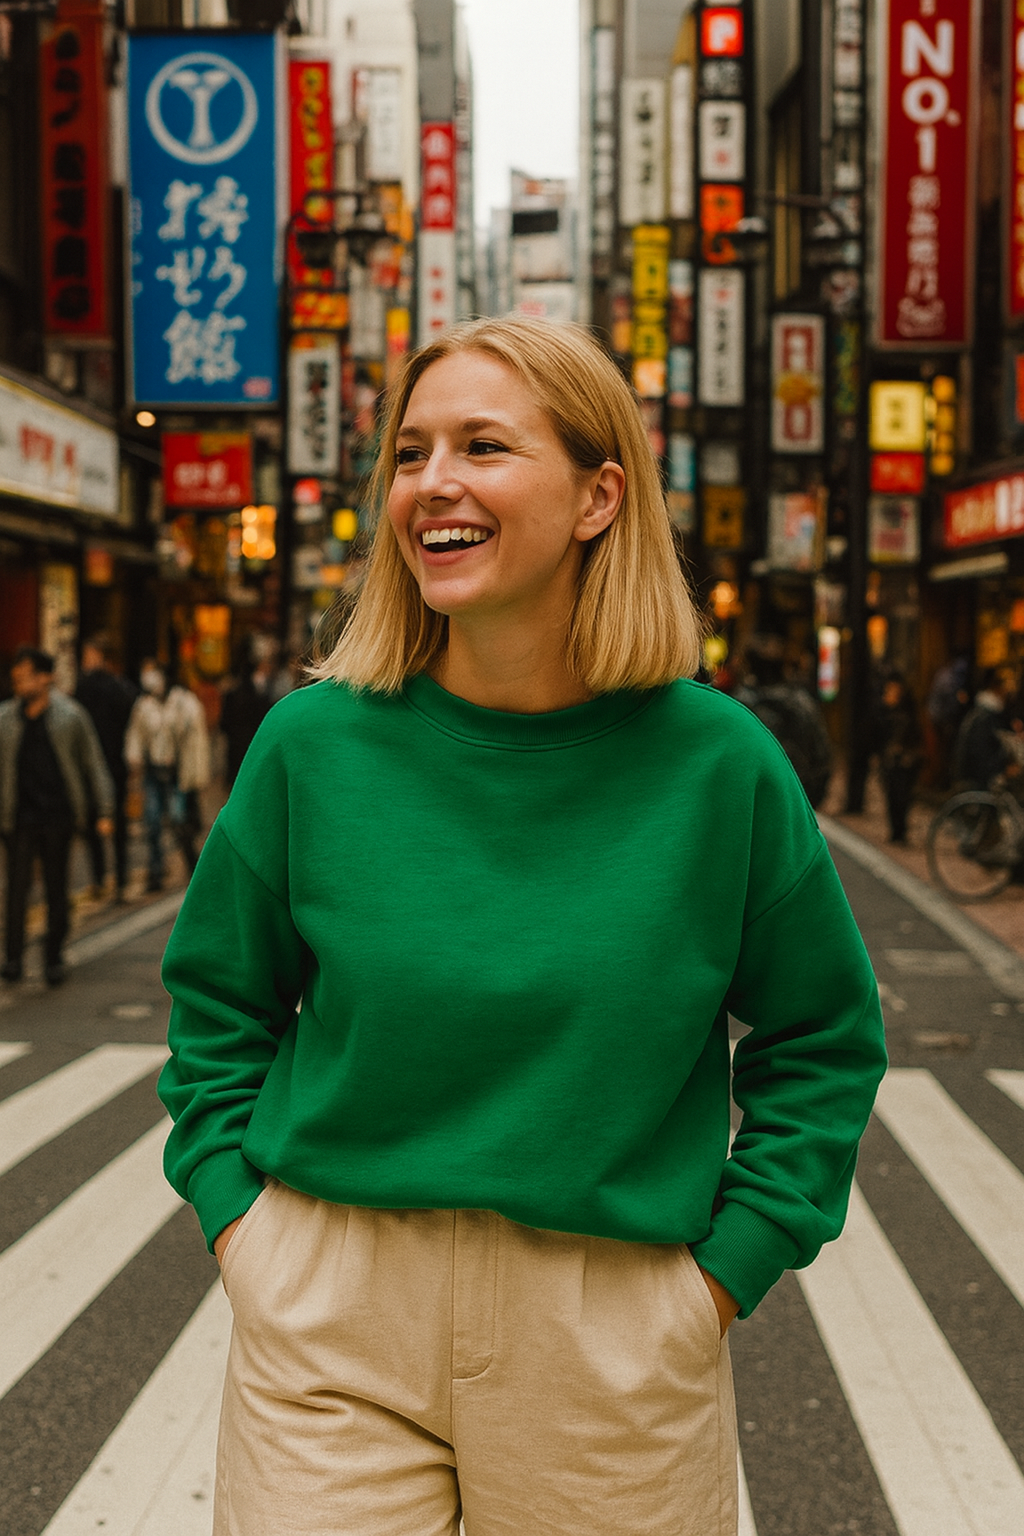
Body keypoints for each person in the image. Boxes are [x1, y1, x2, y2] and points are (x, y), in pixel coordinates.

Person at [158, 317, 886, 1536]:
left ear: (600, 496)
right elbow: (218, 1004)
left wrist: (718, 1281)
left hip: (612, 1331)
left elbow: (823, 1038)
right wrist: (245, 1228)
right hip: (329, 1308)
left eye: (484, 447)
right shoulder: (310, 746)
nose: (432, 482)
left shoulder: (720, 766)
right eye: (411, 453)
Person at [0, 646, 114, 985]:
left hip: (58, 815)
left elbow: (93, 763)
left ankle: (53, 957)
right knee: (16, 890)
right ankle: (13, 959)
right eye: (16, 679)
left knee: (56, 888)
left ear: (46, 678)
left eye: (25, 678)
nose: (20, 685)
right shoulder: (5, 720)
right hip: (19, 817)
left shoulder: (71, 716)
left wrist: (104, 810)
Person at [124, 660, 211, 892]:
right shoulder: (144, 705)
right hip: (154, 771)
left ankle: (192, 863)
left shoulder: (184, 702)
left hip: (177, 773)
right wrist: (135, 759)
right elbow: (136, 735)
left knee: (178, 819)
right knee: (152, 821)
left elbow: (196, 740)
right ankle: (156, 870)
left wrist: (196, 774)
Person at [734, 635, 834, 808]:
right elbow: (822, 756)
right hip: (797, 796)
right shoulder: (802, 702)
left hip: (752, 800)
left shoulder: (740, 705)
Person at [76, 634, 138, 901]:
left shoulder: (84, 688)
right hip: (116, 761)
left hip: (92, 765)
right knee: (119, 823)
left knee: (93, 822)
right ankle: (121, 879)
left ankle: (100, 878)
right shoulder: (121, 688)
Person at [952, 667, 1020, 791]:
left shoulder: (987, 713)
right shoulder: (984, 717)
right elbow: (980, 758)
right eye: (1008, 684)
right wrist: (1004, 769)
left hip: (979, 780)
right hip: (978, 785)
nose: (1011, 690)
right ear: (998, 688)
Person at [876, 670, 922, 844]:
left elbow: (915, 735)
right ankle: (896, 831)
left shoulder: (908, 712)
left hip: (905, 762)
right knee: (892, 796)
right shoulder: (885, 711)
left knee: (902, 797)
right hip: (891, 761)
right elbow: (879, 735)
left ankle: (900, 831)